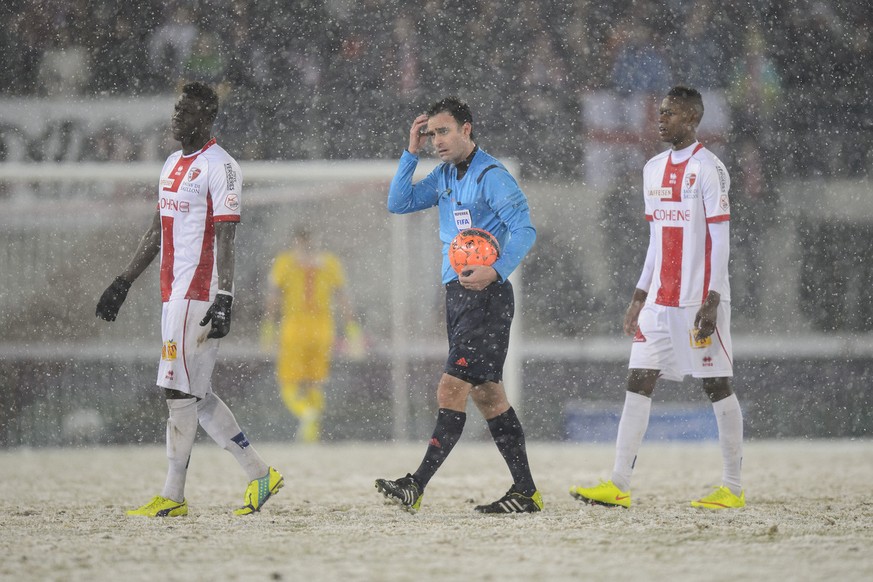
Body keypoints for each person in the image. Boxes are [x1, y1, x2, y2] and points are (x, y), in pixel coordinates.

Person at [96, 81, 283, 517]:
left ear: (207, 117)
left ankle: (174, 494)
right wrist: (123, 281)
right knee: (194, 393)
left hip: (198, 293)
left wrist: (225, 296)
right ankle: (260, 474)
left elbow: (227, 234)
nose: (176, 116)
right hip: (172, 293)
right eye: (176, 108)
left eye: (187, 110)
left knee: (176, 390)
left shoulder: (222, 166)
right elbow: (158, 230)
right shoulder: (169, 164)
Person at [570, 86, 745, 510]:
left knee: (717, 385)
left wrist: (713, 297)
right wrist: (638, 296)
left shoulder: (709, 168)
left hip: (697, 301)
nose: (660, 118)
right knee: (638, 380)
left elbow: (720, 239)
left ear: (692, 118)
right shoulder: (652, 169)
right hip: (659, 304)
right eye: (660, 112)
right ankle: (618, 483)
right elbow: (656, 239)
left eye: (669, 113)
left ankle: (732, 487)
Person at [375, 96, 541, 514]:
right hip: (458, 295)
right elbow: (398, 202)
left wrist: (498, 270)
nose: (437, 140)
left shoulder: (493, 176)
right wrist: (409, 153)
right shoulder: (445, 175)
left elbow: (525, 229)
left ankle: (417, 483)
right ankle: (525, 491)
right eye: (431, 134)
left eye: (443, 131)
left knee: (452, 386)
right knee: (488, 396)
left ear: (467, 129)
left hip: (487, 295)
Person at [261, 227, 362, 443]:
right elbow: (344, 298)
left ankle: (305, 413)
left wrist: (268, 327)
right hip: (323, 329)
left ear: (295, 242)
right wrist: (353, 329)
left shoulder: (284, 263)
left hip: (294, 327)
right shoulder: (330, 263)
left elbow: (274, 298)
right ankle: (311, 433)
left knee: (288, 381)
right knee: (315, 381)